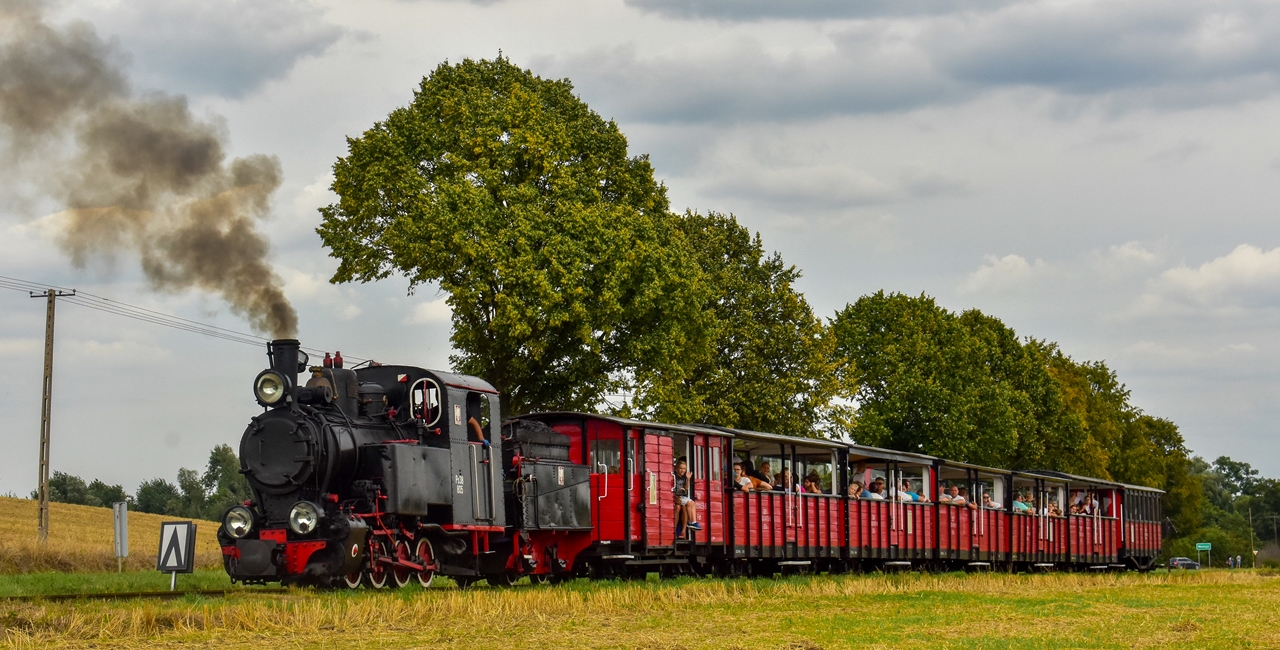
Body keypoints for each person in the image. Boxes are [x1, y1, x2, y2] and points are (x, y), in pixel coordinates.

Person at [672, 459, 701, 535]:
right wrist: (674, 496)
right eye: (680, 468)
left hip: (681, 496)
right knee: (687, 504)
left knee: (690, 504)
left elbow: (686, 487)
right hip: (675, 496)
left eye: (684, 469)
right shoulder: (673, 476)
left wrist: (688, 479)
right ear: (676, 468)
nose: (682, 470)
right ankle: (692, 523)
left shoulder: (685, 477)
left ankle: (692, 523)